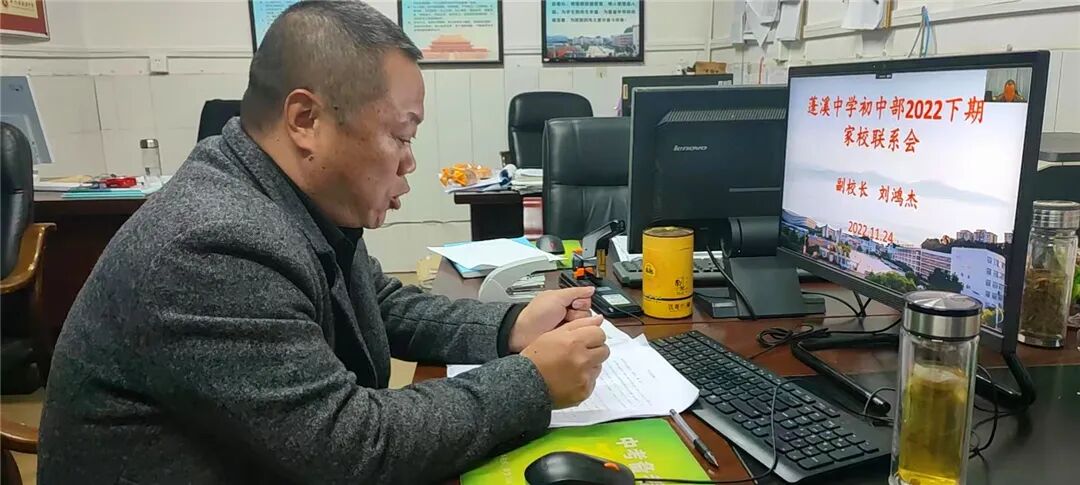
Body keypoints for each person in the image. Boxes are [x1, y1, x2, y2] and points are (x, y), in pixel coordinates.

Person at [37, 2, 610, 483]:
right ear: (306, 119)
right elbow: (349, 448)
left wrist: (510, 327)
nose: (410, 161)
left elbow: (377, 304)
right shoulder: (212, 245)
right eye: (401, 134)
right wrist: (531, 381)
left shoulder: (282, 198)